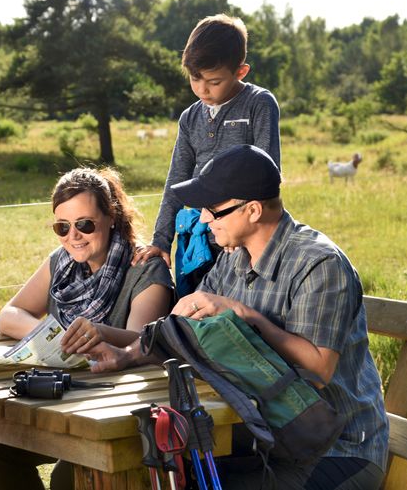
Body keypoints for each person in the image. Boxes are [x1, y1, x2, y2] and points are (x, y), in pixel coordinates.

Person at [91, 146, 389, 489]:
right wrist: (125, 355)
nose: (203, 219)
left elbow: (319, 369)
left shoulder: (319, 265)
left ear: (253, 210)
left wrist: (244, 315)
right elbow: (184, 329)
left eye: (214, 211)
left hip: (337, 450)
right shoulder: (234, 257)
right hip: (262, 440)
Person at [0, 167, 174, 490]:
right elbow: (10, 313)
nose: (73, 236)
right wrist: (55, 333)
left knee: (67, 477)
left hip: (117, 407)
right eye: (62, 227)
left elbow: (145, 341)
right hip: (64, 399)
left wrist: (101, 332)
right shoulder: (61, 262)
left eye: (84, 224)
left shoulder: (144, 268)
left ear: (111, 217)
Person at [133, 13, 281, 296]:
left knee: (238, 304)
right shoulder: (190, 118)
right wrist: (162, 240)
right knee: (195, 302)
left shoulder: (259, 104)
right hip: (198, 231)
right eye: (195, 79)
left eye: (213, 81)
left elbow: (267, 174)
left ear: (240, 72)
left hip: (244, 233)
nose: (202, 89)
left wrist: (246, 230)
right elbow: (176, 178)